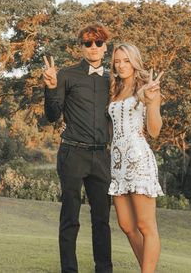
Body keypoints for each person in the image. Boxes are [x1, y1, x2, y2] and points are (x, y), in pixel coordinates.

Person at [43, 23, 113, 273]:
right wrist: (51, 87)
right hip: (72, 154)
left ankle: (104, 269)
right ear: (81, 47)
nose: (93, 47)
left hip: (102, 157)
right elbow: (52, 115)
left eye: (98, 43)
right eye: (87, 43)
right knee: (70, 217)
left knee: (102, 220)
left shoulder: (112, 79)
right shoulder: (66, 75)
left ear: (105, 46)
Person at [108, 43, 164, 273]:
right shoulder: (114, 88)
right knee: (126, 225)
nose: (121, 65)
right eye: (117, 61)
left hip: (138, 159)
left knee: (145, 225)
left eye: (126, 60)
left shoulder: (147, 88)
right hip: (117, 162)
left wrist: (150, 103)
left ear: (134, 61)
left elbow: (154, 130)